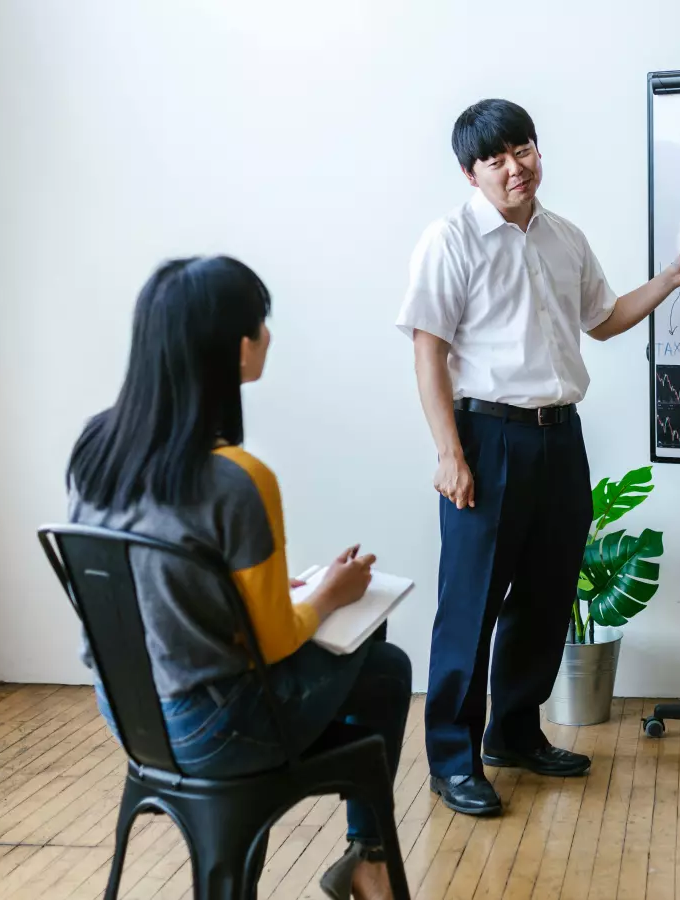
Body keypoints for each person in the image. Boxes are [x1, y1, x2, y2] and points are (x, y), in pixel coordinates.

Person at [396, 98, 680, 816]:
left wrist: (668, 280)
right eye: (496, 159)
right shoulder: (448, 240)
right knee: (470, 608)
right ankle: (452, 758)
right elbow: (429, 352)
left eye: (525, 149)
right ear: (469, 172)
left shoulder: (564, 237)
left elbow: (603, 321)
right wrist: (449, 453)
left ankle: (513, 733)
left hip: (559, 436)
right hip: (486, 437)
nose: (516, 168)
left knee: (544, 599)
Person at [67, 256, 408, 900]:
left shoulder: (96, 449)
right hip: (213, 728)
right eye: (262, 324)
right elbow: (275, 643)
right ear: (234, 346)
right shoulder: (238, 479)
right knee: (384, 667)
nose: (269, 335)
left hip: (129, 711)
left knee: (362, 651)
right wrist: (331, 593)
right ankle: (369, 861)